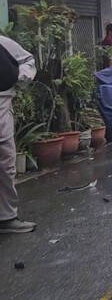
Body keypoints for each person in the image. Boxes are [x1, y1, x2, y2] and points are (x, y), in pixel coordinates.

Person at [0, 36, 37, 234]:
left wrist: (20, 77)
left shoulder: (3, 43)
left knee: (5, 164)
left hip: (1, 104)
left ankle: (6, 218)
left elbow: (27, 60)